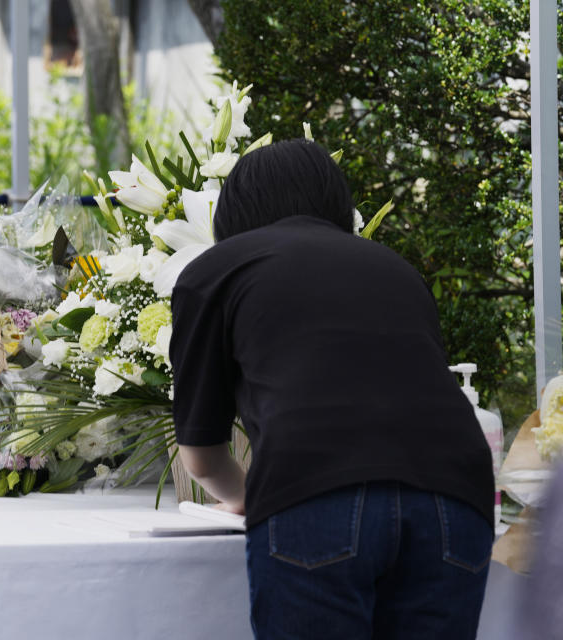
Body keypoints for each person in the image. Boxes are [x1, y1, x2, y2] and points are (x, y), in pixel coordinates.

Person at [170, 139, 495, 639]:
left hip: (317, 489)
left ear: (232, 213)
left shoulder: (219, 268)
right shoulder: (396, 269)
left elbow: (201, 455)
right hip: (456, 498)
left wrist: (243, 496)